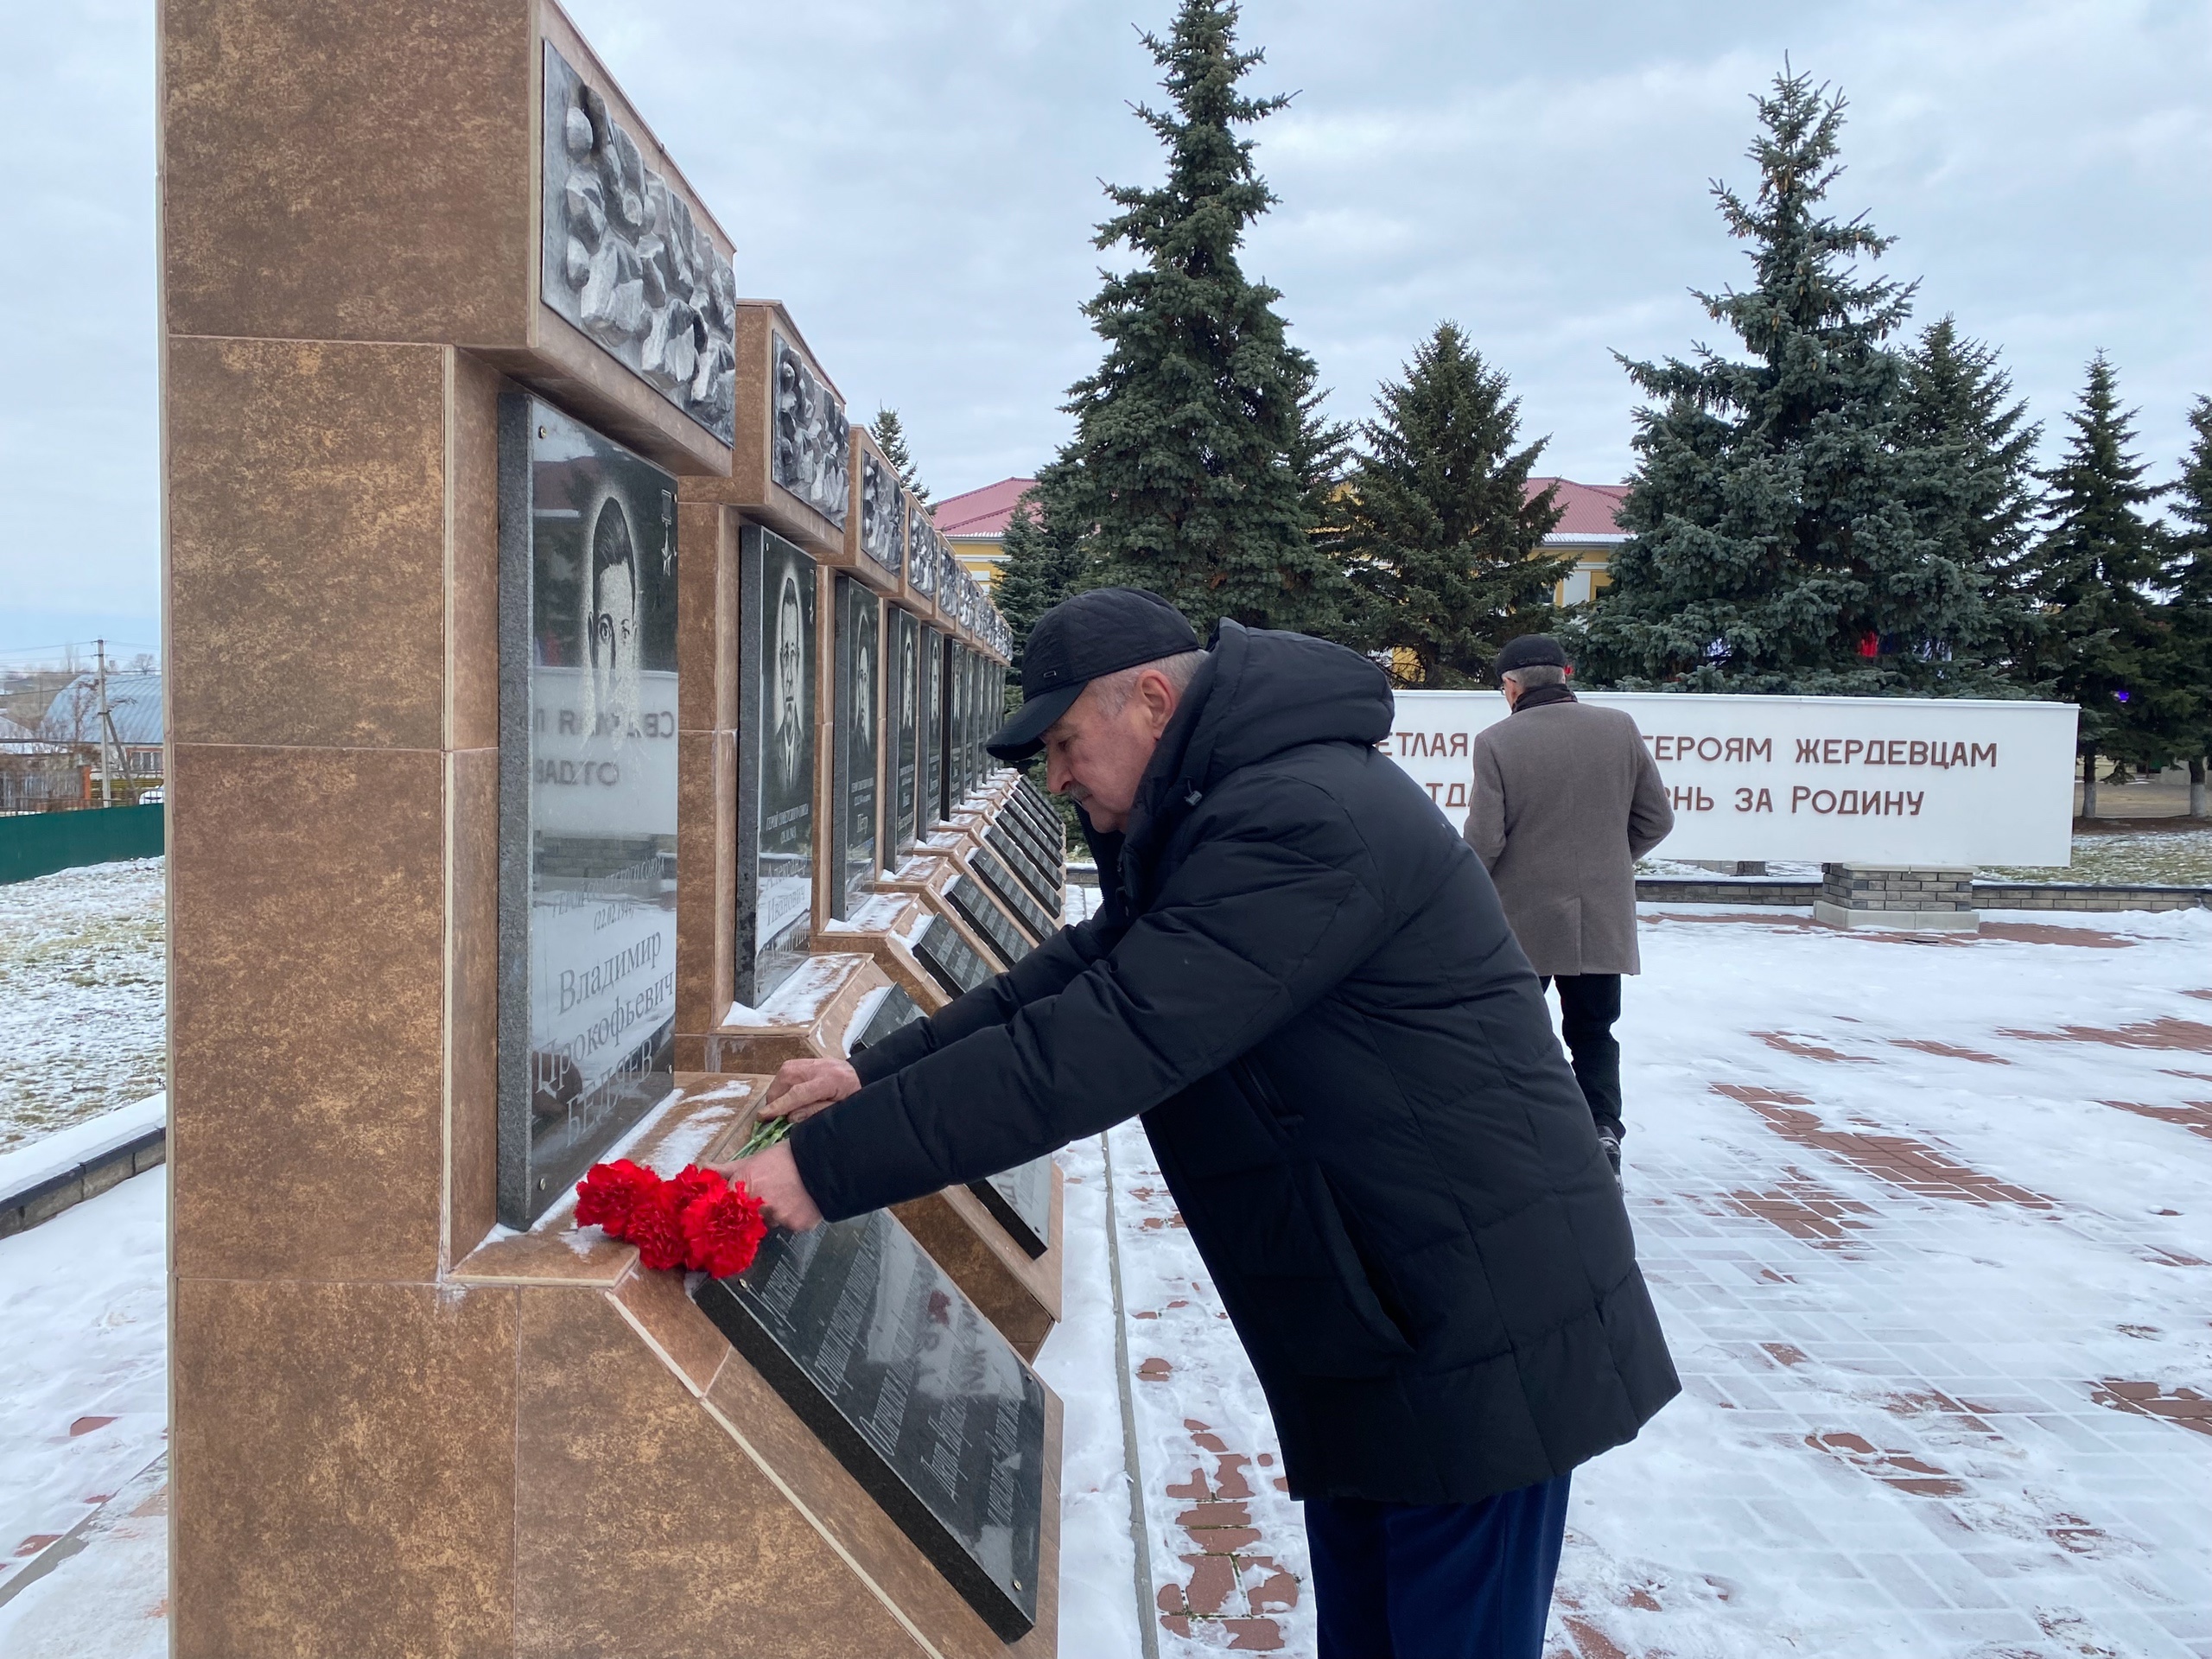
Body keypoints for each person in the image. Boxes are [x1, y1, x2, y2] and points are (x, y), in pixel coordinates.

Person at [720, 588, 1677, 1658]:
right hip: (1387, 1307)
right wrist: (872, 1077)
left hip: (1476, 1325)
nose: (1059, 776)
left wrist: (823, 1169)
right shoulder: (1229, 800)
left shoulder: (1304, 815)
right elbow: (1085, 971)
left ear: (1153, 700)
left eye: (1068, 742)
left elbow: (1109, 1038)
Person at [1462, 636, 1674, 1185]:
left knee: (1518, 1032)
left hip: (1523, 920)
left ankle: (1524, 1138)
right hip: (1603, 916)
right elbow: (1656, 820)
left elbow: (1485, 840)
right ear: (1565, 674)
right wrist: (1609, 863)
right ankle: (1603, 1131)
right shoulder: (1620, 727)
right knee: (1595, 1029)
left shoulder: (1495, 742)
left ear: (1511, 686)